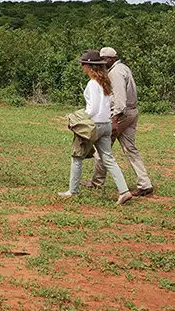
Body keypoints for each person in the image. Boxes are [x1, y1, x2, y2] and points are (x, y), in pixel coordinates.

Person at [60, 50, 134, 205]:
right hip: (106, 124)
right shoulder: (104, 81)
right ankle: (124, 191)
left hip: (94, 125)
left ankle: (72, 191)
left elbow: (92, 109)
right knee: (108, 158)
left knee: (77, 156)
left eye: (83, 64)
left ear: (89, 66)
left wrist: (78, 116)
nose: (82, 67)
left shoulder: (92, 83)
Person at [83, 47, 154, 196]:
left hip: (121, 114)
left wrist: (115, 120)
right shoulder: (123, 68)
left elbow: (120, 100)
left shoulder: (116, 73)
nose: (102, 63)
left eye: (105, 60)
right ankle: (145, 183)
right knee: (130, 149)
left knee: (103, 148)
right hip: (132, 112)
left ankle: (97, 182)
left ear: (112, 59)